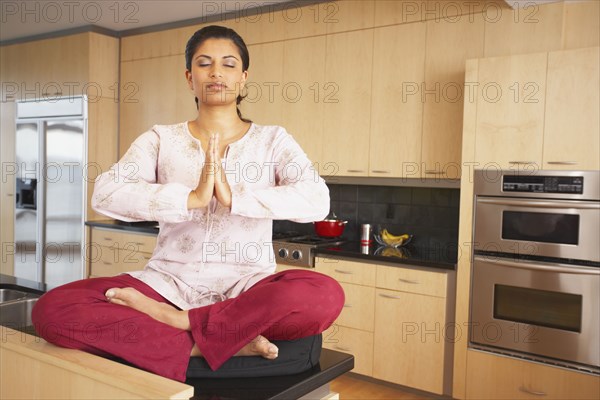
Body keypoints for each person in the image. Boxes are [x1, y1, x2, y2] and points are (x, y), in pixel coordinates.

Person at [31, 25, 345, 383]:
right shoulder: (161, 138)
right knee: (53, 310)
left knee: (323, 295)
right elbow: (105, 192)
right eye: (204, 63)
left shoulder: (273, 140)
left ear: (243, 78)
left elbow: (317, 198)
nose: (216, 73)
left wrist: (234, 198)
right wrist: (190, 198)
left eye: (228, 64)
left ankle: (181, 325)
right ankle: (212, 341)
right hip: (167, 284)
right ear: (189, 77)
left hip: (245, 287)